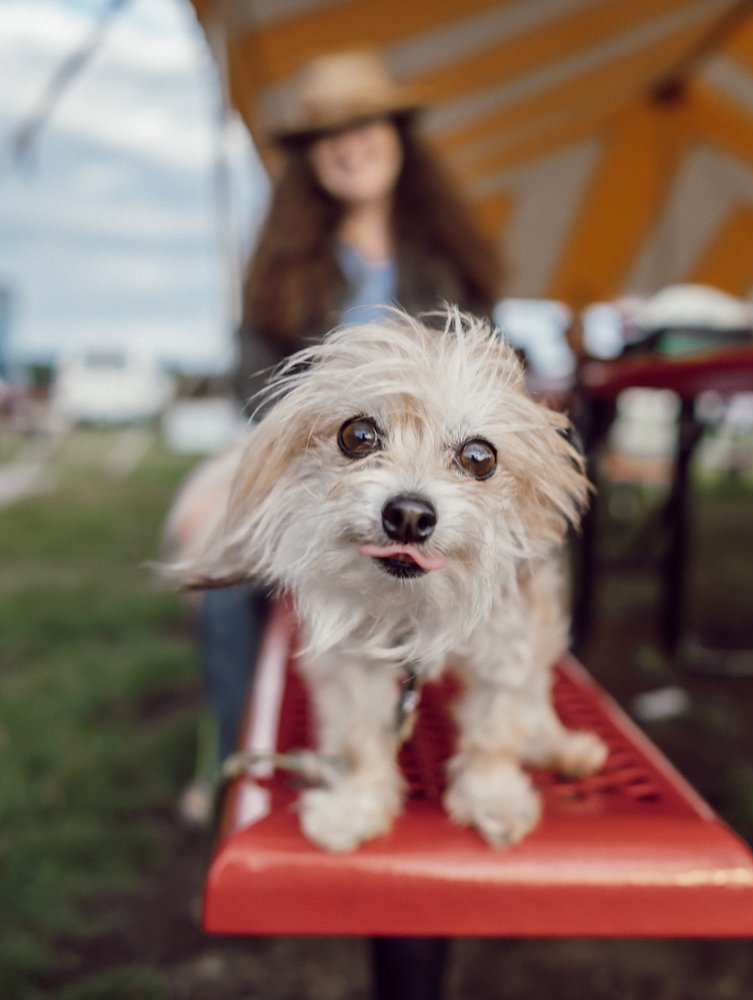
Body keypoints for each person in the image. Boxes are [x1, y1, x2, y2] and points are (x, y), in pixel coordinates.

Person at [180, 49, 504, 821]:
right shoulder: (283, 265)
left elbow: (492, 374)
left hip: (430, 477)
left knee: (507, 573)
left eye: (362, 124)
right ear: (306, 160)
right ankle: (238, 764)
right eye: (326, 134)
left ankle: (483, 737)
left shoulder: (450, 262)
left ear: (396, 134)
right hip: (314, 469)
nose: (347, 144)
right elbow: (251, 386)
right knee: (223, 586)